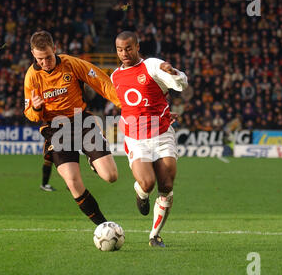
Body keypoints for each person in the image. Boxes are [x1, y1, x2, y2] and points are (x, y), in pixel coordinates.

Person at [24, 30, 121, 225]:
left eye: (48, 57)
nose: (44, 62)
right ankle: (103, 226)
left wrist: (123, 104)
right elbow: (30, 113)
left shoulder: (72, 64)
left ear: (55, 49)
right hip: (56, 129)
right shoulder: (32, 77)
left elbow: (102, 83)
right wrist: (35, 108)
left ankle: (92, 159)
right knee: (73, 182)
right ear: (33, 55)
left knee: (111, 176)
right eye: (40, 59)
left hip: (81, 123)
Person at [111, 31, 188, 247]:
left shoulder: (152, 66)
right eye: (119, 49)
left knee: (166, 185)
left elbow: (181, 85)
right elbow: (127, 105)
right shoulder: (115, 76)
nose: (124, 53)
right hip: (136, 138)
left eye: (128, 48)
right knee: (147, 182)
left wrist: (174, 73)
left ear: (137, 47)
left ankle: (154, 235)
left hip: (162, 134)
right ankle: (141, 193)